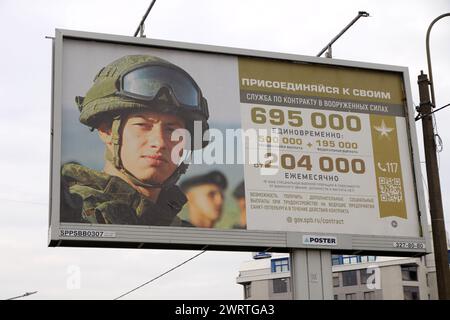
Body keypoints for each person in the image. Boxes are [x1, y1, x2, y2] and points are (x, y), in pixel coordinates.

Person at [60, 54, 209, 226]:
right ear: (106, 131)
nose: (159, 142)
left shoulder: (182, 233)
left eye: (172, 130)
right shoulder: (70, 214)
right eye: (142, 125)